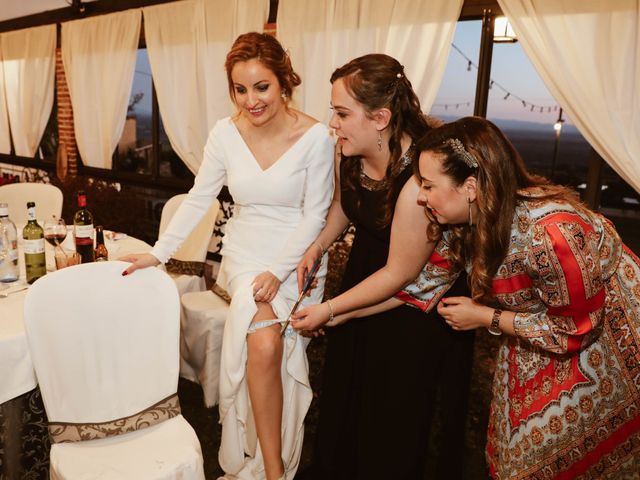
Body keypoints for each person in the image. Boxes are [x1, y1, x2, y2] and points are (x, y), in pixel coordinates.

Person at [299, 115, 640, 478]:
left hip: (611, 343)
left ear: (471, 186)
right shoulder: (461, 228)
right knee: (519, 455)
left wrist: (485, 317)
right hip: (536, 335)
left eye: (428, 185)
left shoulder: (552, 234)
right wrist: (337, 314)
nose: (420, 196)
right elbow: (418, 286)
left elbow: (576, 328)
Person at [121, 32, 334, 480]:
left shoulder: (316, 137)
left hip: (296, 257)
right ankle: (272, 469)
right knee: (264, 341)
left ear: (284, 82)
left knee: (268, 347)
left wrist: (278, 273)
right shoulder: (225, 132)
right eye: (240, 89)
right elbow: (199, 198)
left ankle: (268, 462)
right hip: (244, 252)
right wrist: (157, 255)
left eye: (262, 87)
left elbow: (316, 216)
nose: (251, 100)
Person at [292, 54, 473, 480]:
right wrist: (317, 246)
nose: (332, 124)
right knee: (347, 393)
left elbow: (401, 274)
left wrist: (331, 309)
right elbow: (342, 208)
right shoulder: (348, 152)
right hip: (364, 274)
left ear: (381, 118)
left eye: (341, 113)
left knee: (391, 411)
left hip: (412, 303)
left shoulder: (417, 180)